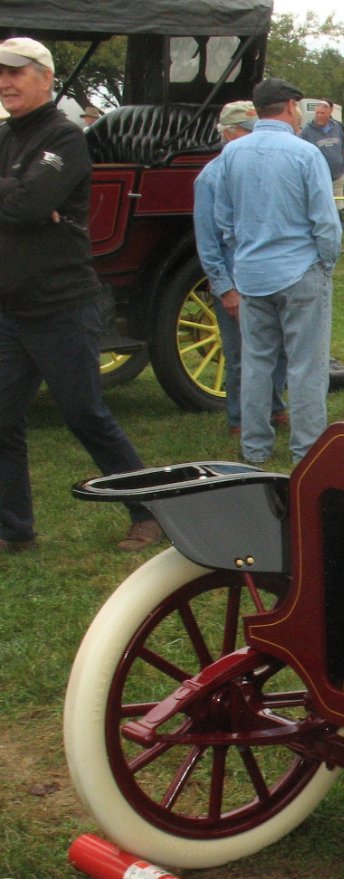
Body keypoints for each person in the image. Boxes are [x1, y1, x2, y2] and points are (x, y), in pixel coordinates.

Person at [0, 36, 159, 553]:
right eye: (0, 74)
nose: (5, 83)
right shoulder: (7, 137)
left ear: (45, 77)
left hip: (62, 306)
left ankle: (148, 510)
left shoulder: (64, 137)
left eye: (16, 72)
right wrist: (20, 192)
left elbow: (31, 205)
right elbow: (27, 204)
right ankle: (14, 529)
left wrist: (26, 199)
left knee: (84, 414)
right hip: (11, 310)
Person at [214, 76, 340, 466]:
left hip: (252, 274)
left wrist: (245, 253)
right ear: (289, 106)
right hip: (301, 270)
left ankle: (254, 447)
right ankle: (307, 451)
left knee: (256, 363)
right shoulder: (305, 154)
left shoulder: (232, 154)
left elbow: (224, 220)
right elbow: (326, 221)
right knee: (307, 366)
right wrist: (326, 263)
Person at [194, 100, 289, 436]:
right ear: (230, 134)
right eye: (247, 132)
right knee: (239, 354)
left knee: (276, 347)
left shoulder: (258, 169)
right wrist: (225, 288)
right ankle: (239, 418)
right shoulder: (210, 177)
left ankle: (273, 406)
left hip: (266, 274)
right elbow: (208, 241)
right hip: (236, 280)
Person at [300, 99, 344, 206]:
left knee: (338, 207)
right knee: (321, 206)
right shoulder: (307, 131)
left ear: (329, 113)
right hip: (318, 178)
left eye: (322, 113)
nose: (319, 116)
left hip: (338, 176)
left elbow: (343, 146)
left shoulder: (337, 127)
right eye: (317, 113)